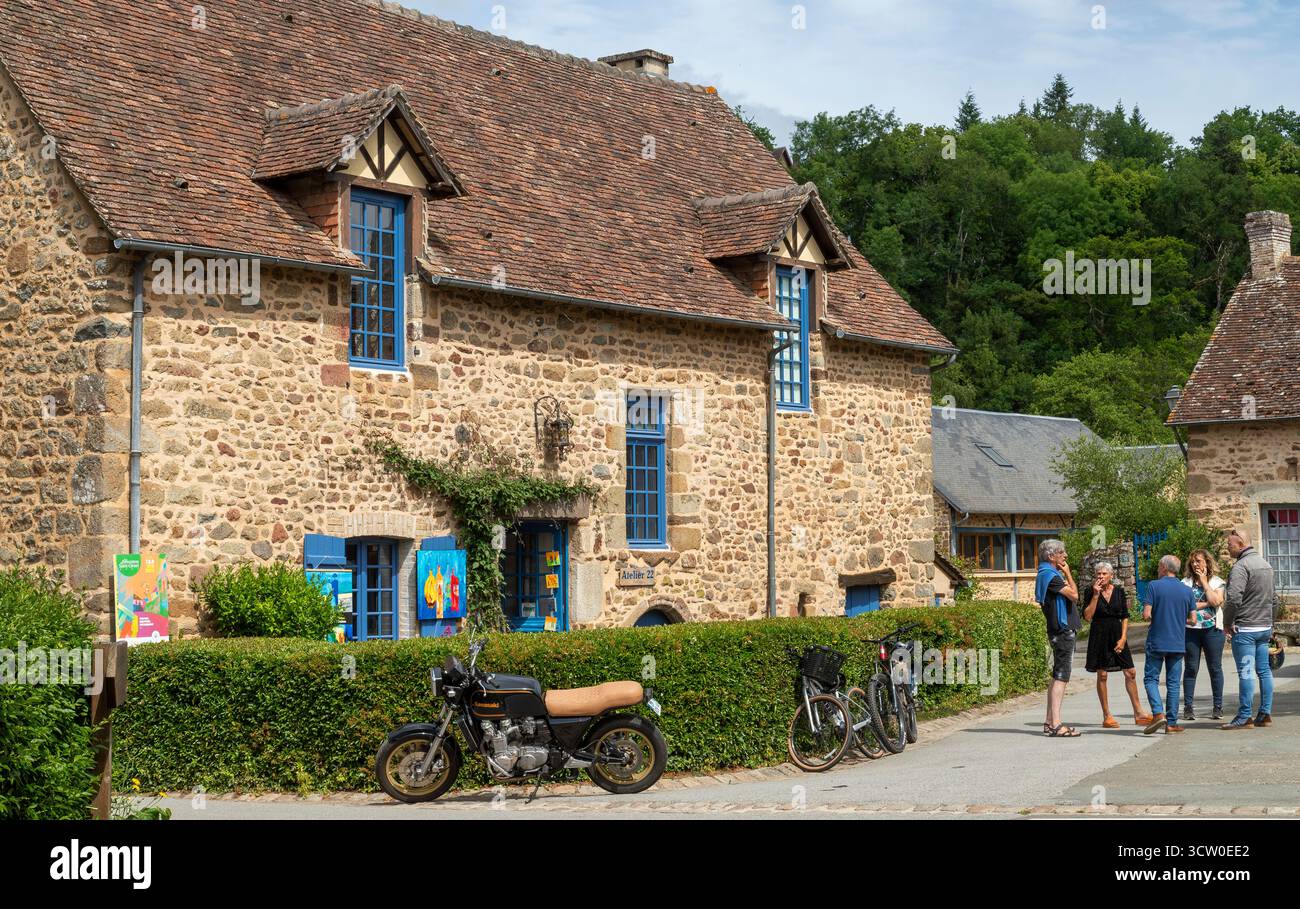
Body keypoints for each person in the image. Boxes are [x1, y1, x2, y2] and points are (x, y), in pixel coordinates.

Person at [1082, 561, 1150, 728]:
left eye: (1104, 574)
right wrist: (1096, 596)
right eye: (1098, 574)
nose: (1101, 576)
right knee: (1102, 675)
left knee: (1130, 672)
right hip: (1099, 635)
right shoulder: (1090, 591)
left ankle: (1139, 712)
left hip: (1117, 634)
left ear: (1111, 576)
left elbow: (1125, 616)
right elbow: (1088, 617)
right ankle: (1107, 715)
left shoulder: (1119, 591)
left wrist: (1123, 637)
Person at [1221, 528, 1276, 730]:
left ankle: (1245, 716)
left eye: (1230, 545)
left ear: (1242, 543)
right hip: (1263, 628)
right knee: (1264, 671)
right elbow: (1274, 599)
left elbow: (1234, 599)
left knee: (1246, 673)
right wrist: (1272, 624)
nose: (1228, 549)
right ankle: (1265, 713)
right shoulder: (1266, 565)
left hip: (1245, 629)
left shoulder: (1241, 567)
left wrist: (1227, 623)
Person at [1141, 554, 1196, 734]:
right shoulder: (1187, 591)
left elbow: (1146, 614)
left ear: (1164, 568)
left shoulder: (1154, 586)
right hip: (1178, 641)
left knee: (1151, 679)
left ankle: (1158, 713)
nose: (1158, 569)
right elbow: (1193, 620)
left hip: (1157, 640)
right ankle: (1171, 723)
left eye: (1158, 566)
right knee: (1173, 683)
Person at [1036, 539, 1081, 737]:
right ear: (1051, 556)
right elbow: (1074, 595)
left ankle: (1049, 721)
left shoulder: (1046, 574)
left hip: (1058, 630)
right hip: (1062, 631)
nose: (1065, 556)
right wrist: (1068, 573)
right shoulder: (1051, 576)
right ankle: (1056, 723)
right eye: (1062, 552)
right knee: (1061, 677)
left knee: (1057, 676)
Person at [1182, 549, 1226, 721]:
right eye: (1193, 561)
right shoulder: (1184, 583)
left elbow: (1217, 601)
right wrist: (1207, 602)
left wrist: (1204, 582)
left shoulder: (1217, 582)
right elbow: (1185, 606)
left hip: (1213, 630)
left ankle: (1218, 707)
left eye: (1199, 561)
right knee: (1191, 668)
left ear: (1207, 562)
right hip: (1190, 630)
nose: (1195, 564)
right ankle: (1188, 707)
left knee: (1215, 668)